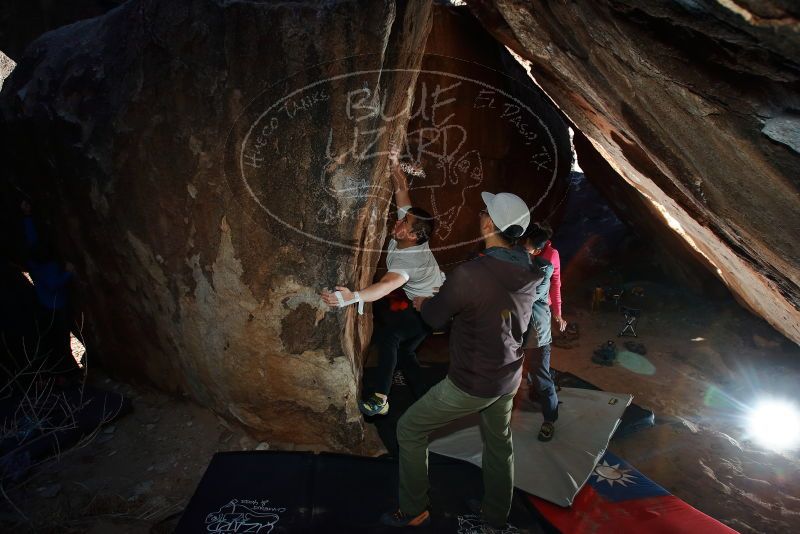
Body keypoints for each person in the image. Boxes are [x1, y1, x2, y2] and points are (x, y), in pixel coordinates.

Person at [380, 191, 541, 530]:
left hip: (472, 381)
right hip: (509, 376)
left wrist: (423, 302)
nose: (481, 215)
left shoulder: (471, 273)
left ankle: (413, 509)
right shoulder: (529, 267)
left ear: (487, 224)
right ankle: (496, 516)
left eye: (484, 212)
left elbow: (435, 318)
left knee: (409, 429)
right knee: (499, 446)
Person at [321, 146, 444, 416]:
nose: (398, 222)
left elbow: (386, 285)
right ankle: (427, 401)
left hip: (434, 307)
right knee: (405, 353)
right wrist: (393, 162)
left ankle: (380, 399)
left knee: (390, 337)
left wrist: (351, 297)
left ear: (413, 236)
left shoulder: (407, 261)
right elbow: (401, 190)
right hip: (432, 299)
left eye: (404, 224)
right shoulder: (408, 232)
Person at [521, 224, 559, 441]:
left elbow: (528, 296)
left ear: (536, 251)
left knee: (542, 377)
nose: (521, 252)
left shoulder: (544, 268)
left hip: (536, 331)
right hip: (517, 328)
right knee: (512, 371)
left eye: (526, 249)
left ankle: (550, 419)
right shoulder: (515, 263)